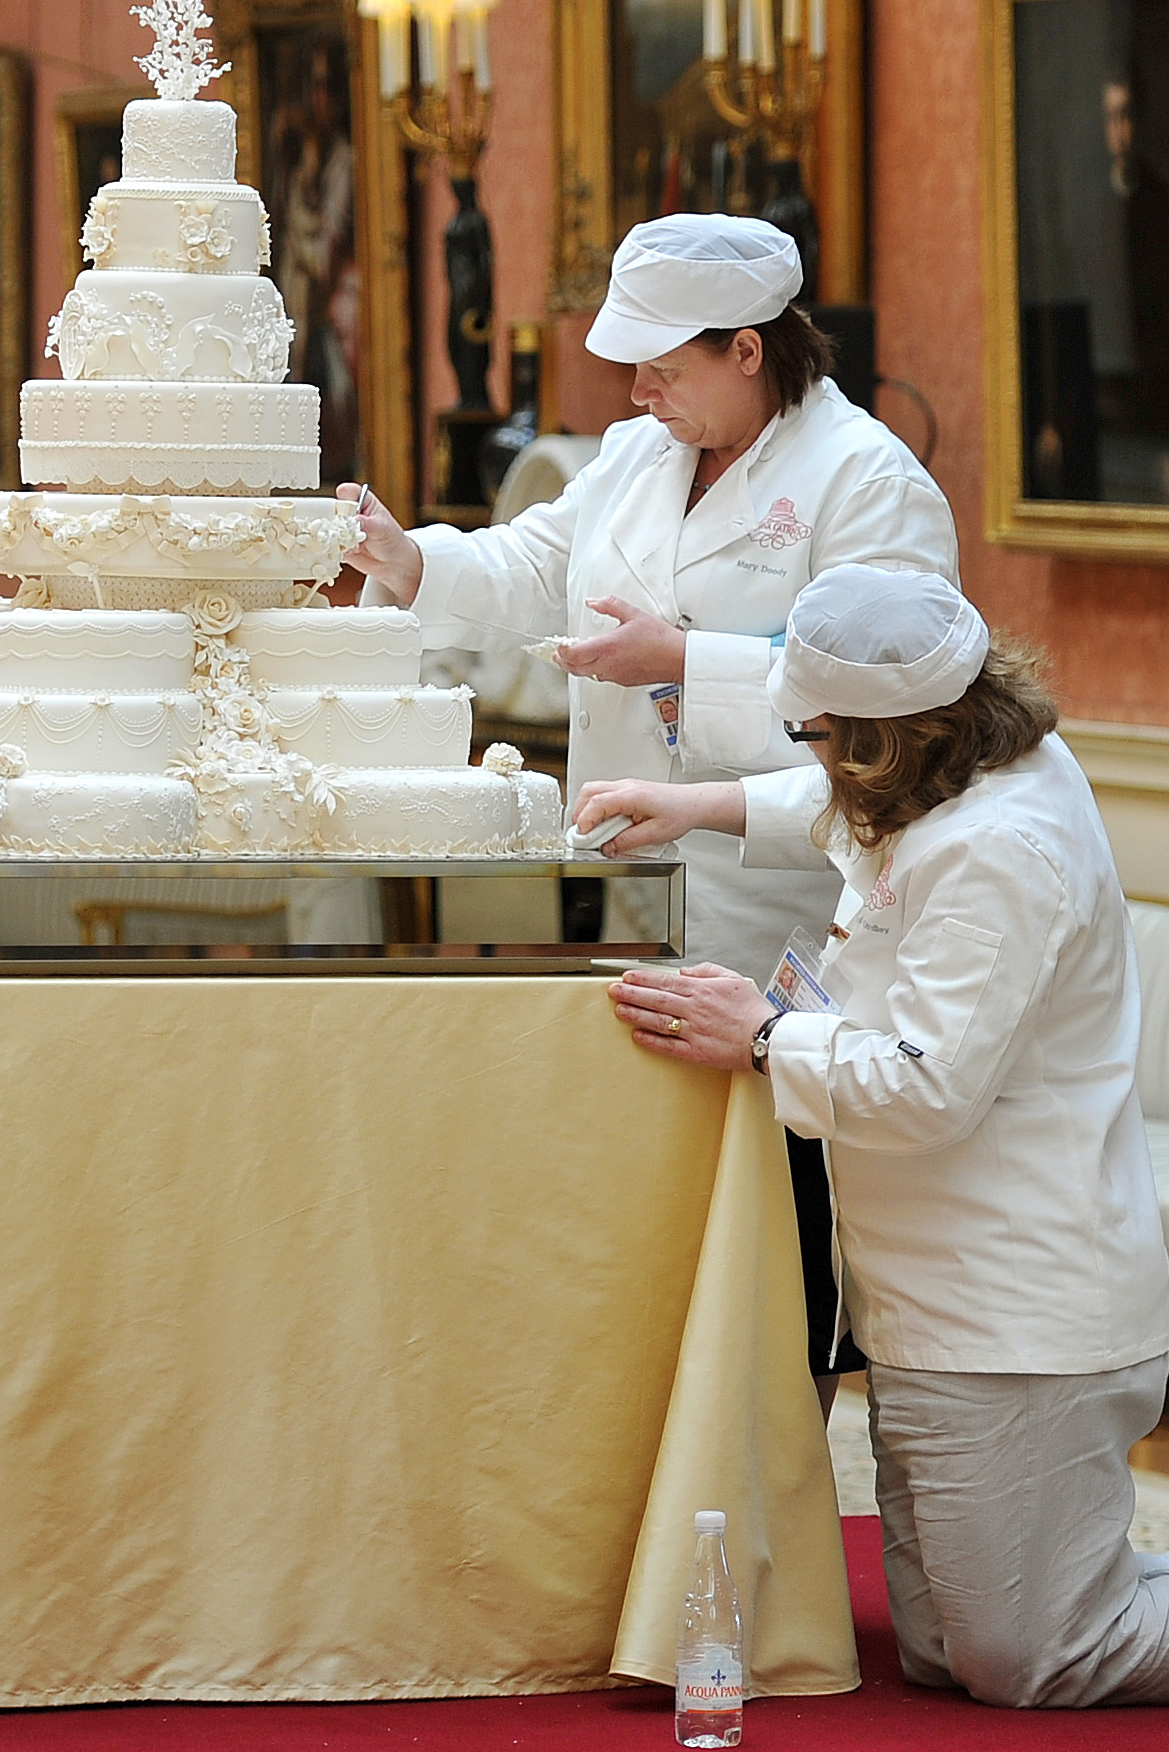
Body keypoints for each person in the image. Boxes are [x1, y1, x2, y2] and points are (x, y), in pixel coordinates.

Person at [582, 567, 1169, 1709]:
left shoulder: (999, 848)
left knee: (1029, 1656)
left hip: (1018, 1310)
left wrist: (763, 1038)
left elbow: (928, 1087)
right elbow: (840, 816)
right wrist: (706, 804)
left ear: (888, 736)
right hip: (937, 1292)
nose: (811, 754)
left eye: (818, 733)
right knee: (944, 1645)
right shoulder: (966, 767)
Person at [341, 211, 957, 1407]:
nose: (636, 387)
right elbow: (532, 566)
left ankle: (774, 1462)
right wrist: (405, 557)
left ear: (748, 347)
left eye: (665, 367)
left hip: (777, 915)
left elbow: (894, 714)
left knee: (778, 1228)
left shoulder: (867, 481)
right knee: (630, 1226)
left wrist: (684, 657)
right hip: (622, 892)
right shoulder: (634, 455)